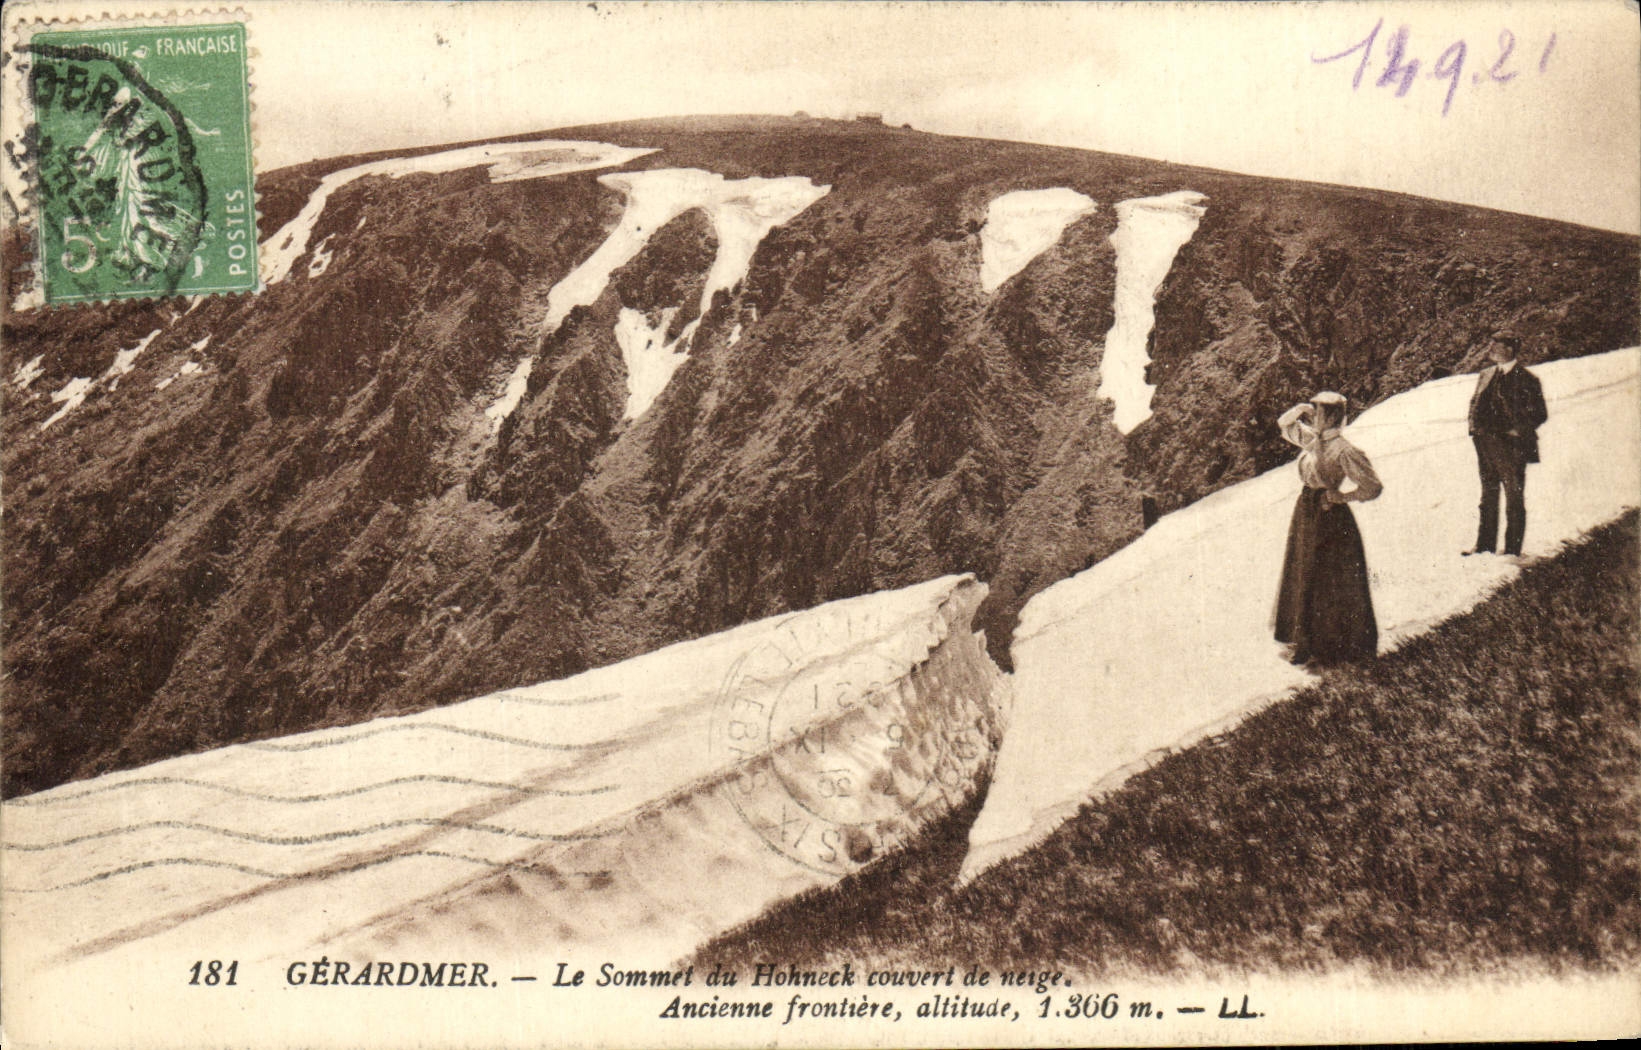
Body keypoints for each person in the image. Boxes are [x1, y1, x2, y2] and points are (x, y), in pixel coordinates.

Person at [1273, 392, 1383, 665]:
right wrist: (1299, 408)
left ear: (1331, 417)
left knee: (1325, 577)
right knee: (1303, 570)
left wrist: (1341, 497)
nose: (1313, 416)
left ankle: (1330, 645)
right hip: (1307, 509)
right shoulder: (1314, 440)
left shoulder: (1344, 449)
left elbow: (1372, 486)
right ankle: (1305, 641)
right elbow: (1284, 425)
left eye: (1318, 412)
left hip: (1330, 516)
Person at [1464, 333, 1548, 557]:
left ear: (1510, 350)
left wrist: (1517, 430)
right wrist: (1474, 429)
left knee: (1513, 496)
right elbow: (1476, 403)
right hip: (1485, 442)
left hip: (1512, 446)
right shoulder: (1486, 374)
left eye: (1496, 346)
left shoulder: (1528, 379)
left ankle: (1512, 550)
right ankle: (1485, 546)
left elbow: (1540, 414)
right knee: (1488, 495)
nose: (1490, 349)